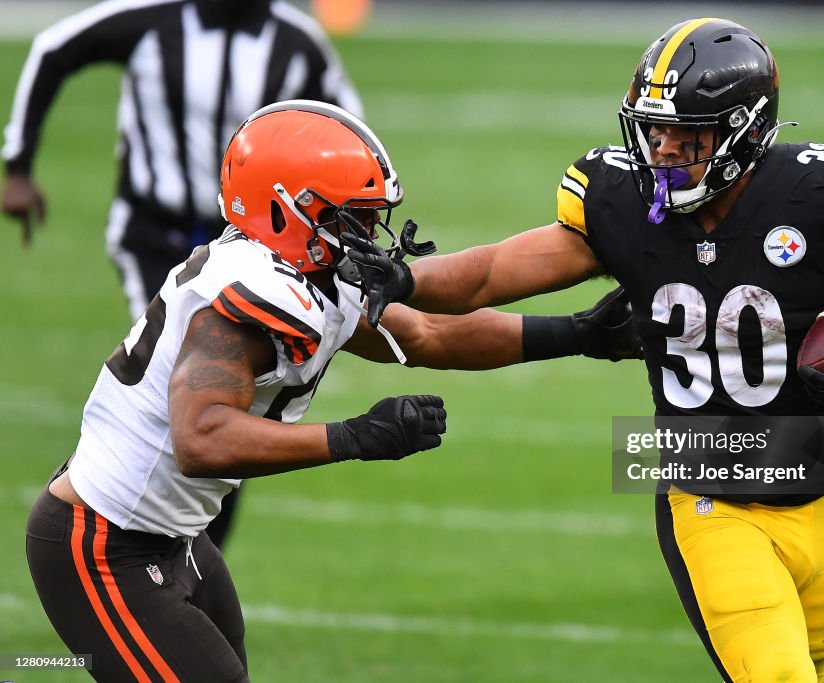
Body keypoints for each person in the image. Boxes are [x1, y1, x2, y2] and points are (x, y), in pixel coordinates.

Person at [340, 18, 824, 683]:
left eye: (689, 134)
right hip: (711, 501)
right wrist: (412, 278)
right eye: (655, 129)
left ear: (745, 130)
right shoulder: (622, 203)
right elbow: (488, 274)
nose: (665, 148)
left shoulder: (814, 200)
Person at [24, 100, 637, 682]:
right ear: (285, 210)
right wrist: (354, 438)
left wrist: (580, 334)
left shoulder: (307, 274)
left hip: (172, 534)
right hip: (104, 542)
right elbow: (202, 438)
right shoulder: (253, 292)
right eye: (354, 214)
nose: (369, 230)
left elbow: (426, 333)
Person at [2, 0, 363, 548]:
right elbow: (55, 49)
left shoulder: (298, 39)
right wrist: (18, 163)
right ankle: (117, 535)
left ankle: (193, 555)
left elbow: (347, 129)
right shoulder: (152, 19)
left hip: (260, 244)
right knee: (186, 392)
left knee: (232, 407)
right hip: (157, 236)